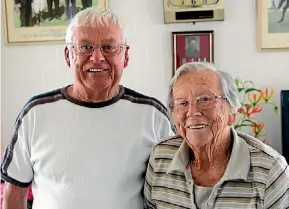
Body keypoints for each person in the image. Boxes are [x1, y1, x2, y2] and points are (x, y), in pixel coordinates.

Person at [1, 7, 174, 209]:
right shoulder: (35, 114)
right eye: (85, 47)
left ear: (125, 56)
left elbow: (174, 191)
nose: (97, 58)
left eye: (109, 47)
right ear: (68, 55)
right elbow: (14, 192)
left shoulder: (153, 116)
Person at [144, 62, 289, 209]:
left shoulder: (270, 170)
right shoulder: (160, 157)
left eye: (205, 99)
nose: (192, 112)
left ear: (232, 113)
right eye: (182, 103)